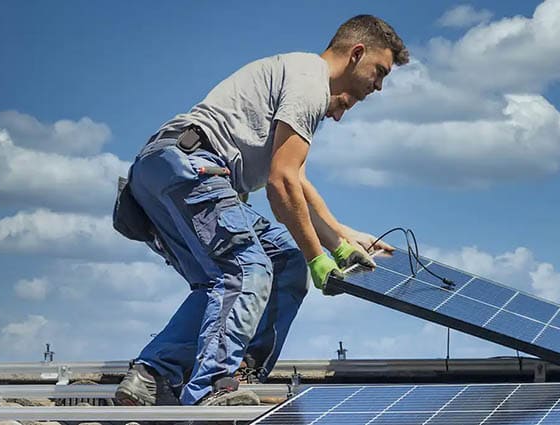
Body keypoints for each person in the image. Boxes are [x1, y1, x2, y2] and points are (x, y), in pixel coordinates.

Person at [111, 14, 408, 406]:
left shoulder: (299, 78)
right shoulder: (310, 83)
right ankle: (214, 389)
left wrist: (341, 237)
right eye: (380, 71)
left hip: (164, 171)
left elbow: (296, 182)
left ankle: (152, 375)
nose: (379, 85)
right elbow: (281, 185)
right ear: (357, 53)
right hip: (193, 167)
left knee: (280, 263)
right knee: (246, 269)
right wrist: (319, 258)